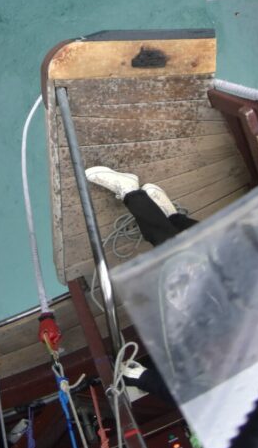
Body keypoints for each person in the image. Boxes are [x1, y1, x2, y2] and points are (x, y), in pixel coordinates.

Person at [85, 166, 199, 403]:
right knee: (205, 248)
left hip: (214, 334)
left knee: (180, 262)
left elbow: (197, 395)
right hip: (249, 317)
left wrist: (144, 378)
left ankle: (150, 204)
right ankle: (156, 207)